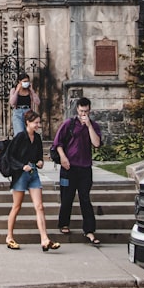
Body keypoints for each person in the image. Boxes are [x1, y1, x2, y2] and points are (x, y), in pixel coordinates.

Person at [5, 110, 60, 252]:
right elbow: (10, 156)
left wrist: (40, 161)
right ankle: (9, 236)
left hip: (33, 173)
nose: (38, 125)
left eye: (39, 122)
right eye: (36, 122)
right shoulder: (20, 137)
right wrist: (21, 166)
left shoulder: (37, 138)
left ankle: (44, 239)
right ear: (28, 123)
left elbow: (38, 155)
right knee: (16, 206)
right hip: (21, 175)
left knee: (40, 206)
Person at [53, 97, 102, 245]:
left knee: (85, 198)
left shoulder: (93, 126)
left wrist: (88, 126)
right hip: (69, 167)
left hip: (85, 167)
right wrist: (63, 158)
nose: (83, 114)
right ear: (77, 110)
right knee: (66, 197)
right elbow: (58, 143)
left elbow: (97, 143)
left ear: (89, 111)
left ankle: (89, 230)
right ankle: (64, 224)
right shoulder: (69, 124)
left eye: (86, 111)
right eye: (81, 111)